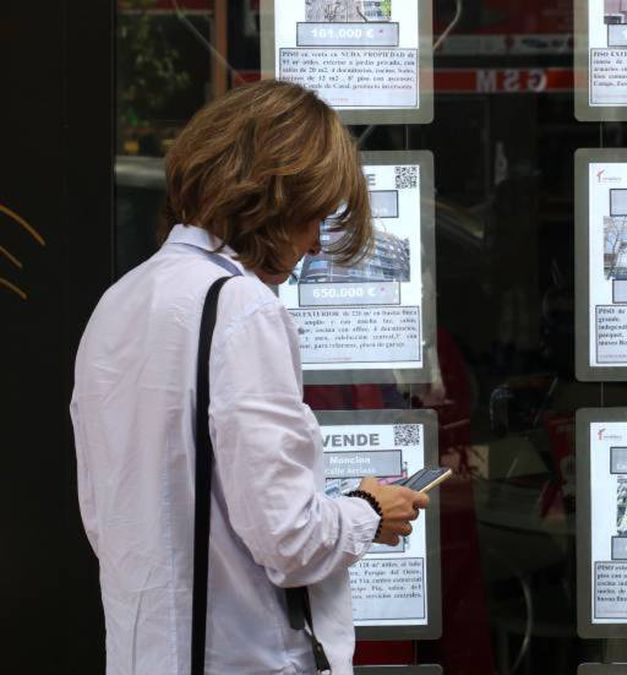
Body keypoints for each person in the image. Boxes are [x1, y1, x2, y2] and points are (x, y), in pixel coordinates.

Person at [70, 80, 427, 674]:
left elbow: (110, 513)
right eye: (313, 215)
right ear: (277, 199)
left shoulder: (122, 300)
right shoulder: (240, 306)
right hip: (245, 654)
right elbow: (290, 540)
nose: (314, 243)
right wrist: (370, 508)